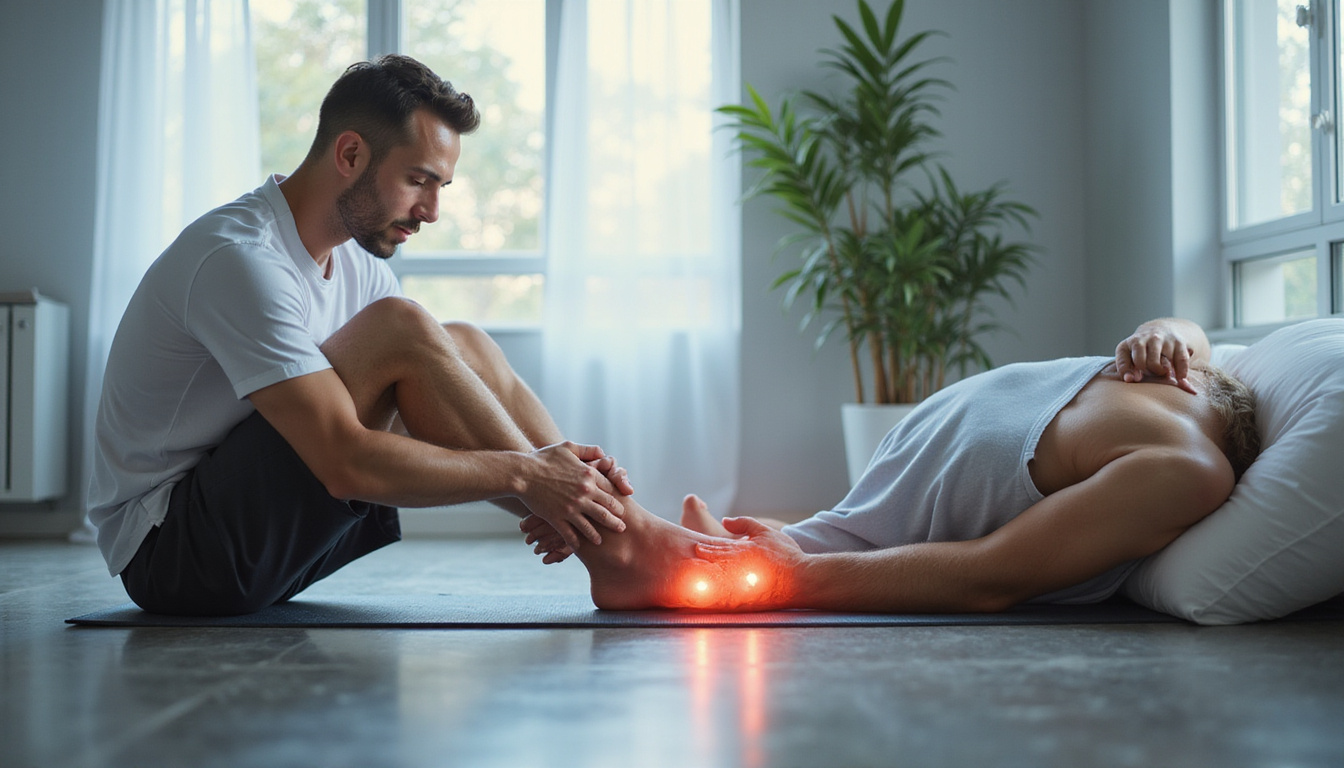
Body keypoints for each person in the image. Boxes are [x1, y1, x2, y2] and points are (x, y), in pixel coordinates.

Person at [89, 55, 634, 616]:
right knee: (404, 326)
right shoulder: (239, 258)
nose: (432, 211)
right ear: (350, 154)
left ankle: (611, 528)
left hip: (264, 540)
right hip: (174, 556)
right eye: (418, 180)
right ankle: (621, 547)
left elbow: (435, 393)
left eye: (441, 186)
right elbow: (343, 462)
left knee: (463, 341)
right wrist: (529, 477)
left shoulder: (361, 267)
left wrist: (552, 489)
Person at [521, 317, 1261, 613]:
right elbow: (1197, 334)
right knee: (830, 531)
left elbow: (993, 574)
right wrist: (1170, 331)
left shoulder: (1189, 466)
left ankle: (651, 552)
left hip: (934, 507)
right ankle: (645, 537)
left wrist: (791, 578)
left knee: (801, 550)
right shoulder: (1176, 369)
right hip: (903, 479)